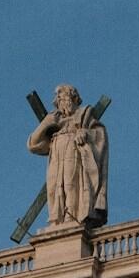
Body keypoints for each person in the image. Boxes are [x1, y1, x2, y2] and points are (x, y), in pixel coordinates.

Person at [28, 84, 108, 229]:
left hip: (74, 152)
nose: (61, 102)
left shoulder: (85, 114)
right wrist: (46, 123)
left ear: (74, 98)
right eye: (58, 100)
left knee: (71, 184)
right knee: (53, 187)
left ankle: (71, 217)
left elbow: (99, 134)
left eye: (64, 97)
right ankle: (55, 219)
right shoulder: (54, 120)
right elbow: (33, 144)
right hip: (56, 156)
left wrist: (85, 134)